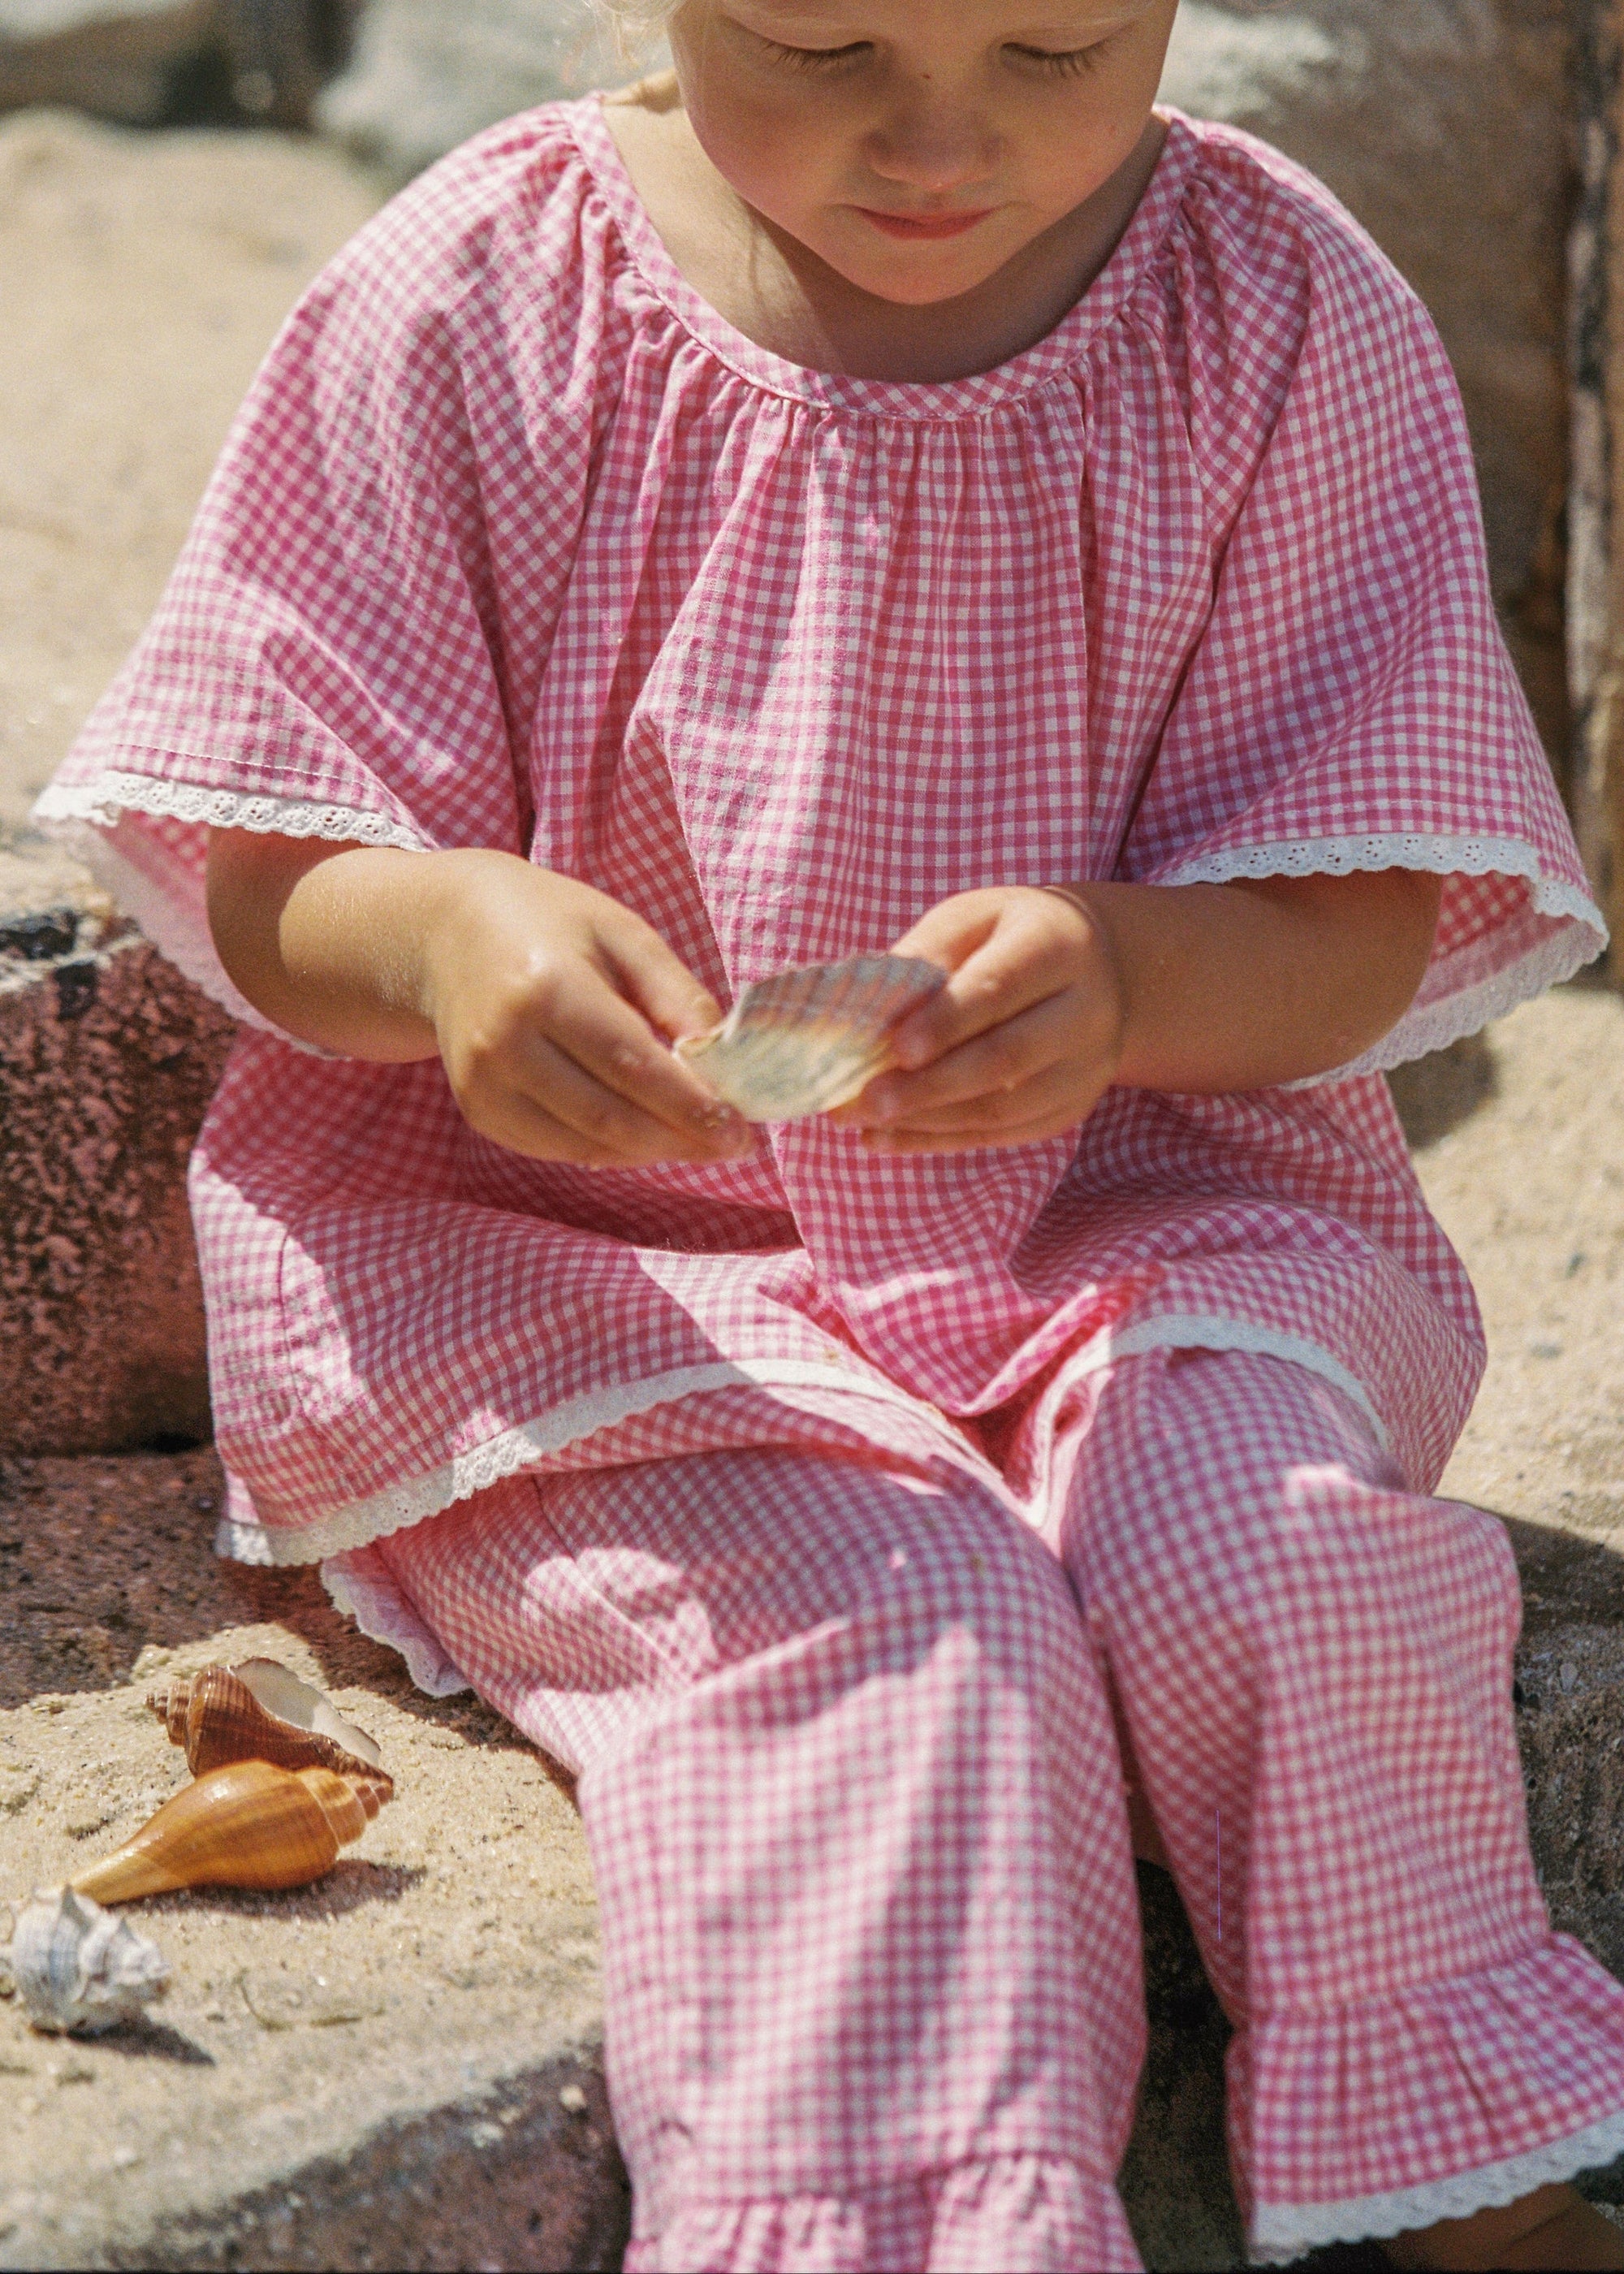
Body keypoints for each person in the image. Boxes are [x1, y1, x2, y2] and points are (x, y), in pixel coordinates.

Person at [35, 0, 1624, 2263]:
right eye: (824, 39)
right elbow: (262, 860)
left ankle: (1472, 2179)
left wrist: (1141, 978)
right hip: (589, 1268)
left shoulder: (1275, 312)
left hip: (1130, 1214)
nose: (938, 136)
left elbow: (1372, 909)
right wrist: (449, 942)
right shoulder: (479, 302)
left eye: (1057, 45)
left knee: (1279, 1551)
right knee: (904, 1642)